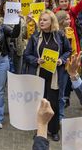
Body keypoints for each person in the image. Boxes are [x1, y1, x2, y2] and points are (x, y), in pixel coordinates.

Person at [22, 9, 71, 141]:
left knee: (53, 103)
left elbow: (68, 51)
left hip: (54, 75)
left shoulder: (60, 36)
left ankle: (54, 130)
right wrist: (36, 60)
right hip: (39, 74)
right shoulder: (35, 36)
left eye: (45, 20)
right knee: (40, 103)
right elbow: (27, 55)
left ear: (52, 22)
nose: (41, 22)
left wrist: (62, 60)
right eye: (41, 20)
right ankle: (40, 130)